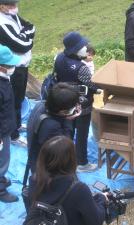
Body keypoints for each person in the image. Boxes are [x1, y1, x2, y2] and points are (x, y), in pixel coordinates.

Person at [27, 136, 106, 225]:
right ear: (71, 159)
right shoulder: (79, 189)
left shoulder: (34, 180)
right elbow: (96, 221)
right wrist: (102, 199)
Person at [55, 32, 101, 172]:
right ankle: (82, 162)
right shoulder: (82, 68)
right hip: (82, 105)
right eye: (83, 46)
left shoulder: (59, 58)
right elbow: (93, 85)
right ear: (75, 49)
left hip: (64, 101)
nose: (86, 48)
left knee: (67, 131)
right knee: (82, 134)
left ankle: (66, 161)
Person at [0, 0, 35, 145]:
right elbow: (22, 45)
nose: (15, 8)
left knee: (19, 97)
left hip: (21, 64)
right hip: (12, 66)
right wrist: (26, 36)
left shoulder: (12, 15)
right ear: (1, 6)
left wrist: (24, 34)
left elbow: (30, 27)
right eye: (11, 5)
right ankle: (13, 135)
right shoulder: (2, 23)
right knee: (11, 101)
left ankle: (18, 124)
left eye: (15, 4)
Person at [27, 83, 80, 173]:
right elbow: (65, 144)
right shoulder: (51, 126)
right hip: (47, 171)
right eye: (74, 106)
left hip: (36, 159)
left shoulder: (41, 105)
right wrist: (69, 120)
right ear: (63, 111)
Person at [0, 45, 20, 202]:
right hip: (1, 131)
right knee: (2, 160)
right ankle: (0, 191)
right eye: (9, 65)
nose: (12, 68)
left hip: (6, 126)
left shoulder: (4, 79)